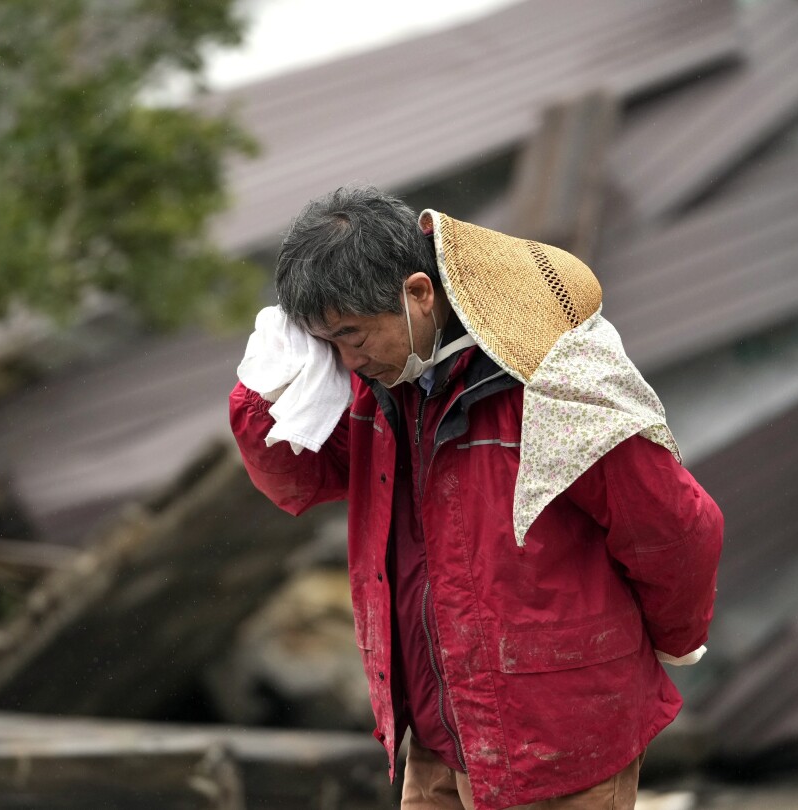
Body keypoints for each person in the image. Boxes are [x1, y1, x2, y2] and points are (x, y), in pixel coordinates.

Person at [228, 186, 723, 809]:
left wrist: (673, 639)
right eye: (328, 341)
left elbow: (678, 528)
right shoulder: (386, 383)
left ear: (418, 292)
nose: (347, 358)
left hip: (560, 738)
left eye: (353, 334)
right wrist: (261, 393)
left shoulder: (554, 379)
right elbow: (299, 477)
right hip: (442, 727)